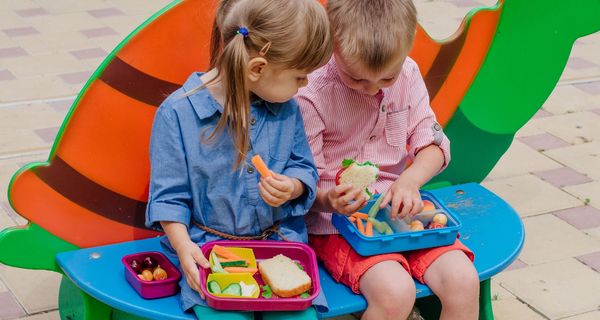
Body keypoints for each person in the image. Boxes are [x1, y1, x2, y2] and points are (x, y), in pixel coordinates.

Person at [145, 0, 333, 319]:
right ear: (257, 69)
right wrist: (182, 246)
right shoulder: (177, 115)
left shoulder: (288, 110)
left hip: (280, 247)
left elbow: (303, 167)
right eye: (300, 77)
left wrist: (294, 186)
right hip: (208, 251)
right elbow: (169, 198)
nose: (306, 85)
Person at [296, 0, 479, 319]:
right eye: (356, 79)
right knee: (395, 293)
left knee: (463, 280)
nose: (371, 90)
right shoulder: (312, 92)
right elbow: (303, 180)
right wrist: (328, 199)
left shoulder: (407, 74)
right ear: (333, 43)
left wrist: (410, 181)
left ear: (407, 48)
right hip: (336, 226)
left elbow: (433, 146)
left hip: (404, 215)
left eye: (386, 79)